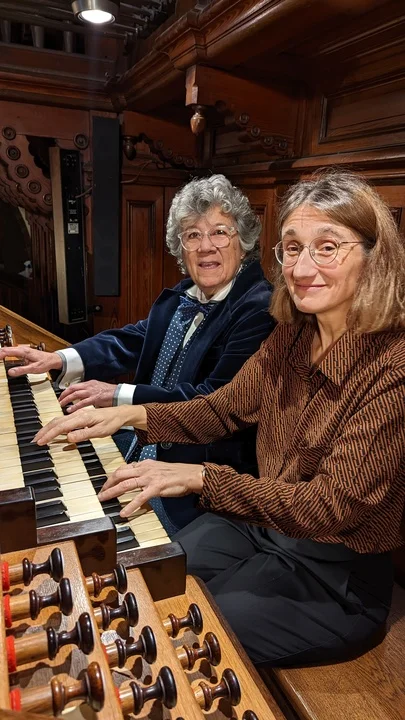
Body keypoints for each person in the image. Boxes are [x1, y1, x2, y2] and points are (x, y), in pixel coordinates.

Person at [34, 169, 405, 668]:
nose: (302, 268)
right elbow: (224, 407)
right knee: (137, 580)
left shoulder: (394, 367)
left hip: (335, 574)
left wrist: (199, 477)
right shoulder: (294, 334)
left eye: (327, 247)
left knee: (170, 635)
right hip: (260, 525)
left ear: (373, 256)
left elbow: (329, 507)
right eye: (293, 248)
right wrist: (128, 414)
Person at [0, 175, 274, 535]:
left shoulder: (258, 307)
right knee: (49, 462)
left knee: (88, 526)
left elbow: (212, 400)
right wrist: (60, 358)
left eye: (220, 232)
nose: (206, 246)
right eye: (193, 235)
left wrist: (117, 395)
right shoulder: (185, 295)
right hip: (142, 441)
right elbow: (133, 339)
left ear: (244, 241)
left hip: (197, 475)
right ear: (181, 248)